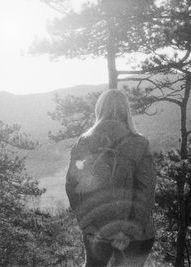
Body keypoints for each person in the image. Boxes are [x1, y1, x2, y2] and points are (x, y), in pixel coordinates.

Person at [65, 89, 156, 267]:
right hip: (137, 235)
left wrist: (89, 226)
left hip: (97, 232)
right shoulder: (139, 144)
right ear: (127, 111)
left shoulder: (84, 143)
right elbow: (145, 193)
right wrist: (127, 232)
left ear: (99, 110)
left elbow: (72, 187)